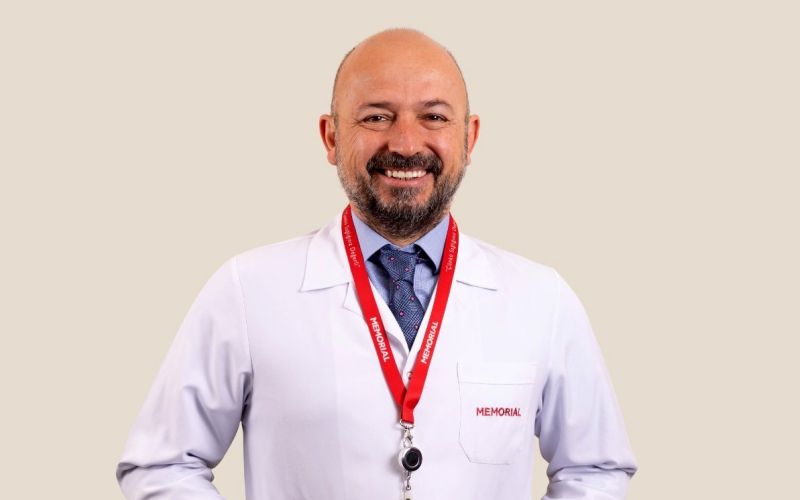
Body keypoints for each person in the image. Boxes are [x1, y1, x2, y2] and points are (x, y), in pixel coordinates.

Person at [116, 28, 638, 499]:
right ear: (331, 137)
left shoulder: (541, 299)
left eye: (434, 116)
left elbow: (595, 469)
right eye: (376, 117)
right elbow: (162, 465)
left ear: (469, 137)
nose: (406, 144)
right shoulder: (247, 291)